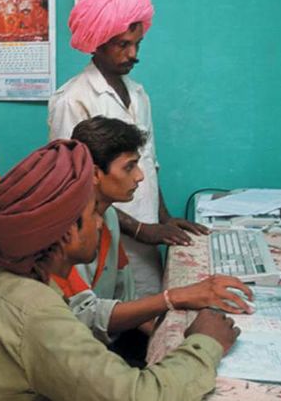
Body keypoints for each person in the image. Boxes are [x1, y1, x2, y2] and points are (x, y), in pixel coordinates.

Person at [0, 139, 241, 401]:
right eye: (93, 212)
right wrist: (205, 343)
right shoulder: (35, 312)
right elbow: (139, 396)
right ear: (66, 233)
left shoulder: (1, 275)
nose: (100, 222)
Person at [48, 0, 209, 297]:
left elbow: (147, 163)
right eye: (123, 44)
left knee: (147, 310)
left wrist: (164, 219)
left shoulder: (138, 94)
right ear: (98, 42)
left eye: (137, 44)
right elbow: (73, 186)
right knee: (106, 314)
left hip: (145, 236)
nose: (133, 54)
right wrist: (139, 229)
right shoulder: (73, 99)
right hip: (99, 238)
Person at [66, 116, 253, 365]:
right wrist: (175, 297)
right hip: (78, 355)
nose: (140, 176)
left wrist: (172, 337)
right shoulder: (68, 234)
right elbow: (85, 316)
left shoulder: (108, 215)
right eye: (129, 167)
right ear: (95, 174)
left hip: (110, 339)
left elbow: (125, 301)